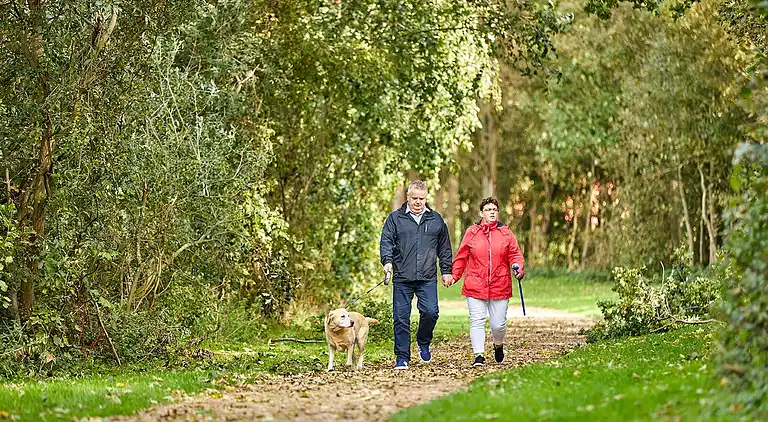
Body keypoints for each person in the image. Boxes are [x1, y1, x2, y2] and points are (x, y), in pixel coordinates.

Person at [380, 180, 454, 370]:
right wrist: (387, 262)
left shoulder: (436, 220)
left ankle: (423, 341)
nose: (418, 202)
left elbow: (444, 248)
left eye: (421, 198)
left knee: (431, 312)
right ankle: (402, 357)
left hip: (427, 277)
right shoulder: (395, 219)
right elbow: (386, 241)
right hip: (402, 277)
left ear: (426, 198)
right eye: (414, 198)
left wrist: (446, 271)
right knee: (401, 317)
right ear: (408, 197)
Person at [450, 197, 525, 367]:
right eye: (488, 209)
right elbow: (462, 256)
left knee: (498, 325)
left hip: (500, 284)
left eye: (494, 210)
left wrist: (518, 269)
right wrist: (455, 275)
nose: (492, 212)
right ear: (481, 213)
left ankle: (498, 345)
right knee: (477, 320)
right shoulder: (472, 232)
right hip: (475, 284)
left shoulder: (506, 233)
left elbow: (515, 254)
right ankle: (479, 355)